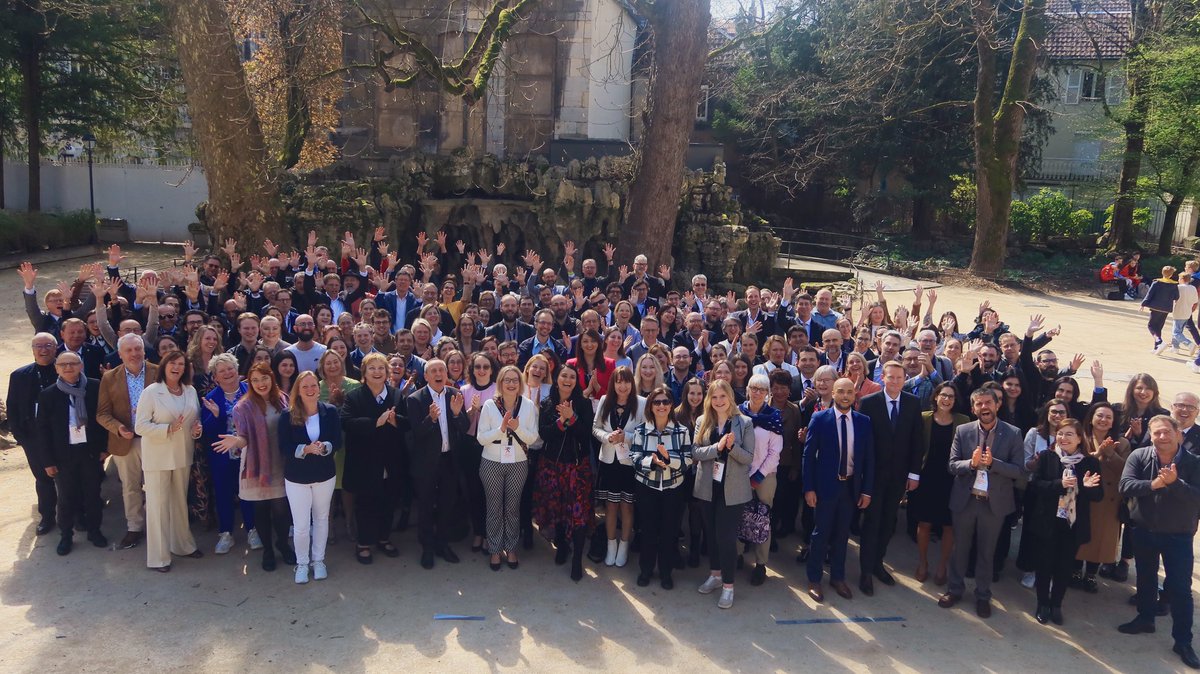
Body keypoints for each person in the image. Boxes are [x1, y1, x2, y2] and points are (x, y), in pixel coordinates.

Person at [1117, 415, 1200, 670]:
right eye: (1156, 433)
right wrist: (1154, 484)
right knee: (1145, 578)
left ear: (1178, 434)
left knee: (1180, 589)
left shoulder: (1194, 463)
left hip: (1179, 534)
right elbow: (1125, 486)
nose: (1161, 437)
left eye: (1166, 432)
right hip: (1144, 530)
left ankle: (1183, 641)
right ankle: (1145, 618)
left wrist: (1175, 484)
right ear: (1150, 436)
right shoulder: (1140, 456)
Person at [938, 388, 1025, 618]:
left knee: (987, 552)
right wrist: (972, 464)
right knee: (960, 550)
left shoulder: (1013, 433)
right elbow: (952, 465)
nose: (984, 407)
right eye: (979, 404)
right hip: (965, 501)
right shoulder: (963, 430)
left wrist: (993, 463)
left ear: (997, 405)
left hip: (992, 504)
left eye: (988, 402)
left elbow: (1018, 470)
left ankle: (983, 595)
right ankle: (955, 589)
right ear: (973, 408)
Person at [212, 363, 295, 572]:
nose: (260, 384)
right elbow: (243, 437)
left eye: (264, 378)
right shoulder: (243, 406)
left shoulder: (283, 399)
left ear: (271, 378)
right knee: (261, 509)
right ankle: (268, 550)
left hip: (280, 463)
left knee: (281, 510)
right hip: (256, 466)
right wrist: (236, 441)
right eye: (255, 380)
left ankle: (282, 544)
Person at [801, 377, 873, 603]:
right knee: (820, 533)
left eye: (849, 392)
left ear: (854, 396)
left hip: (850, 487)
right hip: (825, 486)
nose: (845, 396)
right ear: (832, 393)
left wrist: (866, 491)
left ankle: (838, 577)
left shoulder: (863, 421)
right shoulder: (820, 418)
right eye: (840, 391)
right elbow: (808, 456)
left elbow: (869, 459)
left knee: (843, 535)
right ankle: (814, 579)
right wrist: (809, 488)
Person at [857, 361, 924, 595]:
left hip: (899, 477)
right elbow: (862, 443)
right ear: (882, 378)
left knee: (888, 522)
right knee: (872, 522)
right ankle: (865, 571)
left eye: (899, 377)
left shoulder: (913, 403)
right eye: (890, 377)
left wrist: (914, 473)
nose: (894, 381)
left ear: (904, 379)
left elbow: (917, 441)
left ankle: (878, 563)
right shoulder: (868, 403)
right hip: (873, 476)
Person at [1027, 418, 1103, 625]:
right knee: (1044, 564)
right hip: (1047, 522)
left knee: (1064, 567)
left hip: (1073, 524)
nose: (1064, 438)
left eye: (1069, 434)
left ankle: (1056, 604)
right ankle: (1042, 603)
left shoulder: (1090, 462)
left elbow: (1098, 496)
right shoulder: (1047, 457)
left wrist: (1086, 488)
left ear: (1080, 438)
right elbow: (1035, 485)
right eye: (1060, 433)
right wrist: (1059, 484)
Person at [134, 350, 204, 572]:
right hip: (158, 458)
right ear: (164, 365)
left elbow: (194, 421)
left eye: (182, 364)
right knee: (158, 507)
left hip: (182, 455)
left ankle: (183, 545)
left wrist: (196, 430)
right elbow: (140, 426)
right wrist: (167, 429)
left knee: (179, 504)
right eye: (173, 363)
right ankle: (158, 558)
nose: (177, 367)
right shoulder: (151, 392)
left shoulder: (190, 391)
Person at [37, 352, 108, 555]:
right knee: (66, 497)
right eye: (63, 364)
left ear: (81, 366)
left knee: (93, 494)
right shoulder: (48, 394)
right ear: (57, 368)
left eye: (73, 363)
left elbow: (103, 418)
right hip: (63, 454)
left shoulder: (94, 387)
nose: (68, 367)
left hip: (90, 451)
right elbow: (42, 429)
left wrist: (104, 448)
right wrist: (48, 461)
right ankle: (66, 535)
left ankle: (95, 531)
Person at [693, 380, 756, 609]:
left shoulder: (745, 423)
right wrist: (717, 448)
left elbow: (748, 457)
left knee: (726, 538)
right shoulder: (702, 421)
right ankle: (715, 574)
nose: (719, 401)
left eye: (723, 396)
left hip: (733, 490)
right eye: (715, 397)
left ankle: (728, 586)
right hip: (708, 488)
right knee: (711, 534)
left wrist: (731, 448)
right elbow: (695, 452)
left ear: (730, 397)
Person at [340, 353, 408, 565]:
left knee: (389, 501)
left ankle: (383, 538)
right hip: (365, 461)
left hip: (391, 459)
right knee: (366, 502)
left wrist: (396, 421)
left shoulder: (397, 396)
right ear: (364, 373)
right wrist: (375, 423)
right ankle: (363, 543)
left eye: (381, 368)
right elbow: (347, 422)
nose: (377, 372)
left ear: (387, 372)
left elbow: (408, 423)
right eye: (372, 368)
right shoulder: (354, 397)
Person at [278, 371, 342, 584]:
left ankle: (318, 560)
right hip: (297, 478)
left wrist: (325, 447)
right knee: (302, 525)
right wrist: (304, 449)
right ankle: (303, 563)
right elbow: (283, 447)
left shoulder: (330, 412)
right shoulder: (287, 416)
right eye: (305, 386)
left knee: (322, 519)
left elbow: (337, 441)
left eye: (313, 385)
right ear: (298, 390)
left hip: (324, 475)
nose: (310, 390)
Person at [535, 364, 596, 581]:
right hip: (551, 465)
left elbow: (585, 435)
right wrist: (562, 422)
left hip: (577, 467)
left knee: (577, 513)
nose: (568, 380)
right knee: (557, 508)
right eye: (564, 376)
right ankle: (562, 546)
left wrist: (573, 417)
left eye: (572, 376)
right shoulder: (547, 403)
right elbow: (544, 434)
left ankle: (577, 558)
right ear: (557, 379)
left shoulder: (584, 404)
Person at [407, 358, 469, 569]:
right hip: (426, 463)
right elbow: (416, 433)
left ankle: (443, 543)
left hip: (449, 460)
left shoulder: (454, 394)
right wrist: (430, 419)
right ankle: (427, 547)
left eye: (441, 370)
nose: (438, 373)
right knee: (425, 506)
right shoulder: (416, 399)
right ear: (426, 376)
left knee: (446, 505)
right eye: (433, 370)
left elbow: (464, 426)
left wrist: (456, 413)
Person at [629, 384, 693, 589]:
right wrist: (652, 462)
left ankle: (666, 573)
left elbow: (688, 459)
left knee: (669, 532)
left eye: (666, 401)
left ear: (671, 405)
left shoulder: (682, 431)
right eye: (657, 402)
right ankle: (646, 570)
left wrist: (668, 460)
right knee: (648, 531)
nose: (661, 406)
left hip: (673, 489)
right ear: (650, 406)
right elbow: (635, 457)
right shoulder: (641, 430)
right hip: (647, 487)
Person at [476, 365, 539, 570]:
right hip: (492, 462)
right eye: (507, 380)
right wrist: (501, 429)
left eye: (515, 380)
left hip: (518, 463)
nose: (511, 384)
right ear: (500, 383)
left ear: (520, 383)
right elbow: (481, 438)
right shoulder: (489, 405)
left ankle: (511, 548)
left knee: (512, 508)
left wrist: (517, 427)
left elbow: (532, 438)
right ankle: (495, 549)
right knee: (494, 508)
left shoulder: (528, 405)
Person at [198, 353, 258, 554]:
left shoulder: (250, 391)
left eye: (230, 368)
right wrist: (217, 415)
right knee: (223, 494)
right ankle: (226, 533)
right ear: (215, 377)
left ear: (237, 370)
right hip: (222, 456)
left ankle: (252, 529)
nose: (227, 373)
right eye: (221, 371)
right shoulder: (210, 399)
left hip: (248, 453)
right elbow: (206, 430)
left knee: (248, 493)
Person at [911, 383, 968, 585]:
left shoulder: (963, 421)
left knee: (948, 526)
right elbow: (915, 447)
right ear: (936, 397)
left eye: (951, 396)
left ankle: (942, 565)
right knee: (924, 523)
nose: (946, 399)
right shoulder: (924, 417)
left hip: (951, 480)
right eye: (943, 395)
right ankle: (923, 562)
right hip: (927, 477)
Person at [7, 333, 60, 535]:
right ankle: (47, 516)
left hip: (62, 436)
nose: (43, 350)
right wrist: (21, 437)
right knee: (43, 478)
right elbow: (13, 408)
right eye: (39, 346)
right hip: (34, 437)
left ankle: (74, 513)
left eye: (48, 345)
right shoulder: (19, 375)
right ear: (33, 350)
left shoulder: (66, 369)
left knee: (68, 476)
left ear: (56, 348)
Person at [1074, 402, 1130, 592]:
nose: (1103, 420)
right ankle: (1074, 570)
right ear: (1091, 418)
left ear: (1113, 422)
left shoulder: (1121, 443)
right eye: (1100, 415)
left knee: (1100, 538)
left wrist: (1111, 454)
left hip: (1108, 499)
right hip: (1083, 494)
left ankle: (1091, 575)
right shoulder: (1080, 438)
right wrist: (1097, 454)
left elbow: (1125, 471)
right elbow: (1074, 463)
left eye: (1108, 417)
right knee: (1080, 533)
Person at [591, 366, 644, 567]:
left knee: (627, 507)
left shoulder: (641, 404)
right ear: (613, 384)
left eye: (627, 381)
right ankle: (610, 544)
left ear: (632, 383)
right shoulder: (605, 401)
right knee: (610, 506)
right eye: (618, 381)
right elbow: (595, 428)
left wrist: (627, 438)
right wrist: (608, 437)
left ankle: (624, 545)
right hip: (608, 461)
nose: (623, 386)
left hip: (628, 463)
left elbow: (645, 433)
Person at [740, 373, 782, 586]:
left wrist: (758, 476)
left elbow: (775, 452)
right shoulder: (737, 412)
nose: (757, 393)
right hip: (739, 475)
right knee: (738, 515)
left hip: (764, 477)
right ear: (747, 389)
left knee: (762, 519)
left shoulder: (773, 416)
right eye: (753, 388)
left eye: (761, 389)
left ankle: (760, 563)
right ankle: (738, 554)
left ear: (767, 393)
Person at [461, 352, 498, 553]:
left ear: (492, 370)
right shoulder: (464, 390)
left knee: (490, 492)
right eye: (477, 367)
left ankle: (489, 534)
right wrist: (472, 412)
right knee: (474, 490)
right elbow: (459, 423)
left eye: (486, 367)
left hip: (491, 446)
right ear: (472, 370)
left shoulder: (498, 390)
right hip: (470, 446)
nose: (481, 370)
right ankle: (478, 532)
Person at [1140, 266, 1178, 355]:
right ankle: (1156, 347)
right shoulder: (1174, 285)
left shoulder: (1156, 283)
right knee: (1159, 327)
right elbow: (1177, 297)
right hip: (1166, 308)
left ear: (1162, 272)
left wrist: (1143, 304)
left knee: (1151, 325)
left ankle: (1159, 341)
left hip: (1155, 307)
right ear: (1172, 274)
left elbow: (1149, 294)